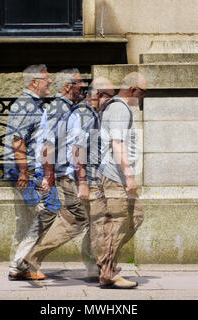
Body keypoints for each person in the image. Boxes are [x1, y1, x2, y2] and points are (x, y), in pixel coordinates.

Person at [22, 68, 93, 276]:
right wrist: (49, 176)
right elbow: (47, 145)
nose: (83, 87)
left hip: (68, 173)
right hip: (66, 175)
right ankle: (32, 258)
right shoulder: (59, 109)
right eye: (80, 83)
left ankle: (97, 266)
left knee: (83, 218)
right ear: (68, 86)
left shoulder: (68, 108)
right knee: (78, 218)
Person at [3, 64, 58, 281]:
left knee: (25, 220)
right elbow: (18, 141)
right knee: (50, 210)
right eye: (46, 79)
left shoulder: (35, 105)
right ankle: (20, 263)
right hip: (25, 171)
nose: (50, 82)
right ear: (34, 82)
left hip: (25, 170)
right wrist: (24, 172)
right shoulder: (25, 105)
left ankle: (19, 266)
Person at [97, 72, 147, 289]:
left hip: (113, 176)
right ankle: (107, 270)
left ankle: (106, 265)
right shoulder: (119, 109)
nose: (144, 98)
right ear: (133, 90)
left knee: (128, 218)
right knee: (121, 222)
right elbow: (118, 145)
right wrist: (129, 176)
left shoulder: (116, 107)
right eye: (144, 92)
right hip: (115, 176)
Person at [73, 77, 116, 279]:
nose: (112, 101)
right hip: (88, 178)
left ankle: (94, 266)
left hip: (94, 177)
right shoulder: (86, 114)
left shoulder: (94, 113)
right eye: (110, 96)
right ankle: (101, 268)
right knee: (99, 223)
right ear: (99, 95)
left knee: (96, 223)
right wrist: (83, 183)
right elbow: (77, 149)